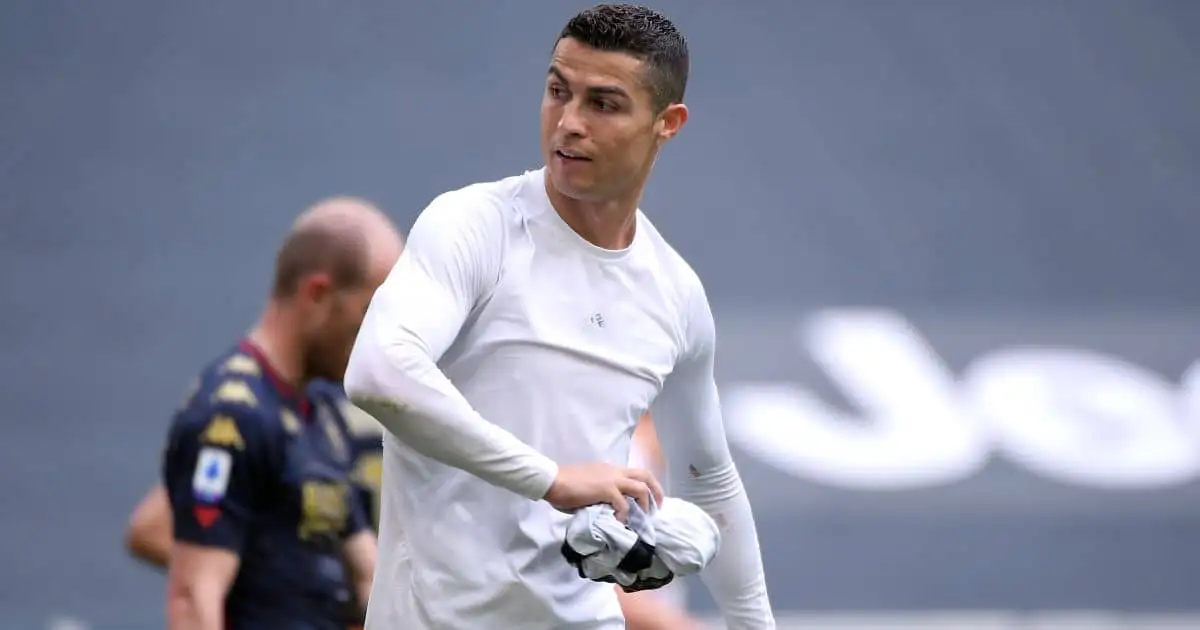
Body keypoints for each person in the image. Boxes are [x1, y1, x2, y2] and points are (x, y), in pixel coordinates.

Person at [342, 4, 775, 629]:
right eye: (557, 91)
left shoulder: (676, 293)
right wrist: (550, 480)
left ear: (667, 123)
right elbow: (379, 374)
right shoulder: (474, 226)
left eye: (604, 104)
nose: (569, 123)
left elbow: (707, 479)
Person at [158, 197, 403, 630]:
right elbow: (193, 599)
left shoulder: (321, 412)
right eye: (370, 312)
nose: (378, 338)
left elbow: (369, 573)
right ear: (317, 293)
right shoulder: (232, 417)